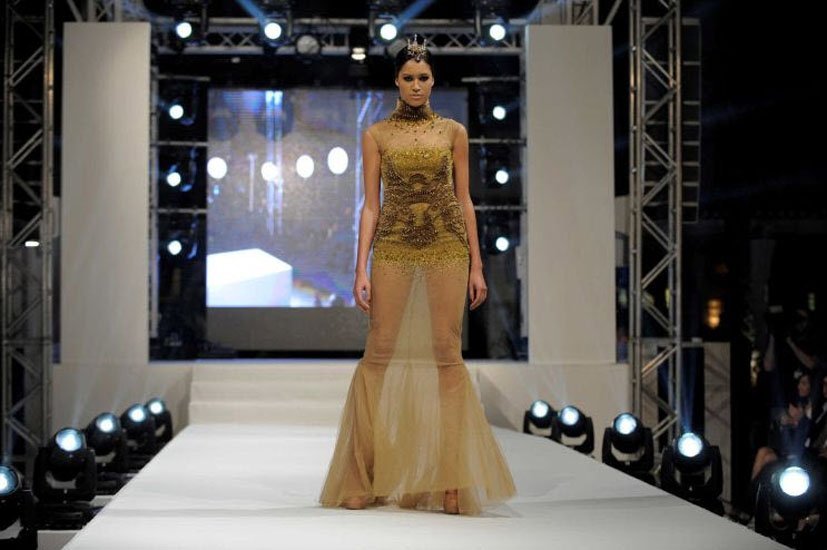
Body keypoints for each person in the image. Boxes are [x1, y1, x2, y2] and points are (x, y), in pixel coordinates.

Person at [318, 35, 517, 516]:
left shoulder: (454, 132)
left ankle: (451, 482)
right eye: (408, 77)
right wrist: (360, 267)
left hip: (447, 247)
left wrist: (477, 264)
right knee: (378, 355)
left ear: (433, 80)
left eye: (423, 77)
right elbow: (371, 206)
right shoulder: (376, 135)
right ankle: (363, 476)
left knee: (447, 357)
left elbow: (464, 200)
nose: (415, 85)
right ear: (396, 81)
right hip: (393, 246)